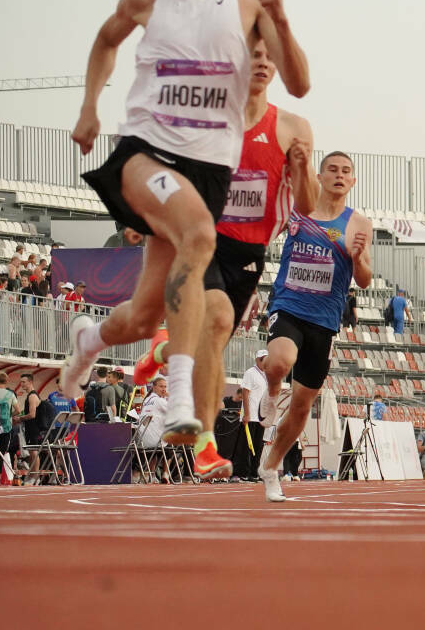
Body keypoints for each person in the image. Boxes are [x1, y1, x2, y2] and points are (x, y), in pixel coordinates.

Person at [62, 0, 311, 455]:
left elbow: (298, 82)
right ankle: (180, 403)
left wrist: (282, 18)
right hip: (145, 152)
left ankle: (91, 337)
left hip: (205, 171)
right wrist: (88, 108)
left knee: (143, 319)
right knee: (201, 234)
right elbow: (105, 42)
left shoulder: (250, 2)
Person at [132, 38, 316, 480]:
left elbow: (306, 206)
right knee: (214, 321)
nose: (261, 64)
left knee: (212, 341)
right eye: (252, 56)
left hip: (249, 255)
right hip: (204, 238)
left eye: (269, 58)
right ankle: (206, 446)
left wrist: (302, 169)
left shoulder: (293, 128)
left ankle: (162, 348)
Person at [256, 151, 372, 502]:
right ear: (320, 176)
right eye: (332, 170)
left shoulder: (359, 223)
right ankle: (273, 388)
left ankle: (271, 467)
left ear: (352, 181)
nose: (339, 175)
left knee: (304, 408)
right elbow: (263, 232)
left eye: (346, 171)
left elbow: (365, 280)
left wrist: (355, 257)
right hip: (289, 305)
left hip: (324, 319)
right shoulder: (298, 209)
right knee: (279, 361)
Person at [238, 349, 268, 479]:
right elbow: (245, 392)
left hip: (260, 416)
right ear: (257, 360)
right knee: (247, 446)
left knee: (258, 445)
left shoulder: (267, 374)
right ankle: (245, 472)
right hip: (250, 416)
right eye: (263, 359)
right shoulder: (250, 373)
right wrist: (246, 414)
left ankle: (254, 472)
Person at [140, 377, 169, 449]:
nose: (164, 389)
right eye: (161, 386)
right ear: (154, 388)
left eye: (165, 387)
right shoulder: (159, 401)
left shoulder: (146, 400)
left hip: (143, 440)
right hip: (156, 441)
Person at [0, 372, 17, 463]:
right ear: (6, 381)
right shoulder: (10, 394)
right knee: (2, 451)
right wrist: (10, 416)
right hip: (6, 427)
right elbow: (18, 410)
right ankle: (0, 474)